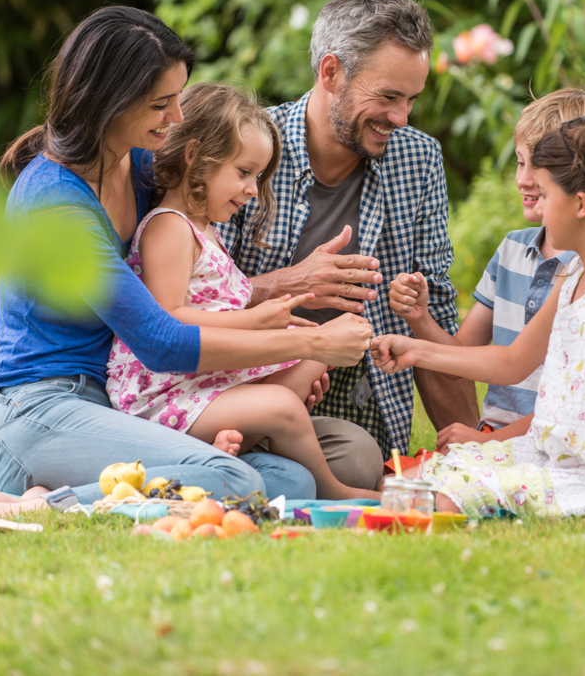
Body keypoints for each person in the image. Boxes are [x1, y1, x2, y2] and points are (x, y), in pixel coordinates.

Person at [0, 6, 372, 517]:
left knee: (288, 478)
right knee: (231, 477)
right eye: (162, 104)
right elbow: (161, 340)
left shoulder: (140, 169)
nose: (177, 119)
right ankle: (27, 505)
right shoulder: (56, 200)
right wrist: (311, 341)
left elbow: (196, 289)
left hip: (112, 404)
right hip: (43, 410)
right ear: (109, 102)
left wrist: (287, 292)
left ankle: (123, 483)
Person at [371, 116, 585, 529]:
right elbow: (512, 361)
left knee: (429, 504)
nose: (538, 205)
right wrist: (416, 350)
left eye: (547, 194)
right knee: (406, 483)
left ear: (581, 204)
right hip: (550, 453)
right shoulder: (574, 275)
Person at [217, 0, 478, 468]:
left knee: (357, 462)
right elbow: (187, 305)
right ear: (331, 73)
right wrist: (290, 284)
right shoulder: (243, 150)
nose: (401, 118)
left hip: (359, 409)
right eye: (388, 96)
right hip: (238, 396)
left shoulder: (419, 160)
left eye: (412, 100)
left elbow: (435, 315)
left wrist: (471, 453)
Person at [106, 82, 380, 500]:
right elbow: (167, 319)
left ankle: (228, 447)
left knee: (312, 358)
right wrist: (254, 320)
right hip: (163, 395)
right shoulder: (168, 228)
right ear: (195, 156)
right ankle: (334, 490)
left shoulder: (206, 231)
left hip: (200, 383)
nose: (253, 190)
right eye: (243, 173)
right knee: (284, 405)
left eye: (258, 176)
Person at [389, 89, 585, 452]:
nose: (524, 180)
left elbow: (573, 404)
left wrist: (490, 444)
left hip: (556, 442)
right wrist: (420, 319)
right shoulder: (512, 251)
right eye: (520, 162)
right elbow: (460, 361)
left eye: (539, 168)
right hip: (496, 437)